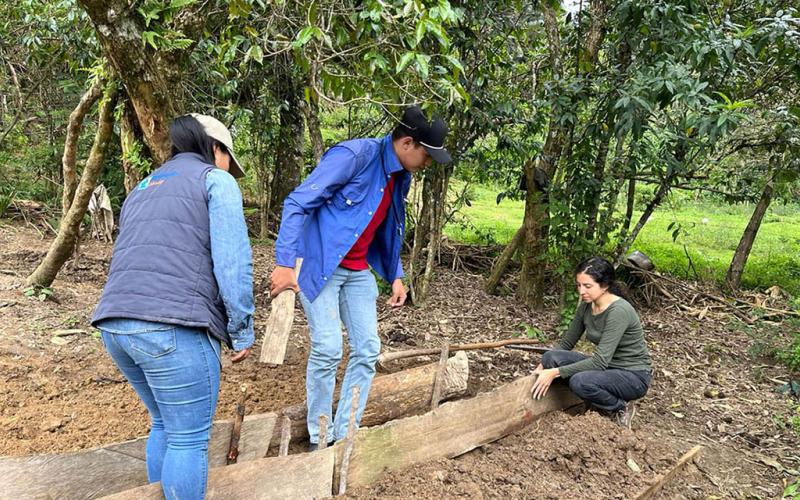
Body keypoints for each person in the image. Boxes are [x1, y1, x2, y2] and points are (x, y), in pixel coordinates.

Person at [92, 114, 254, 499]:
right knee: (187, 439)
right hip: (173, 326)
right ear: (216, 149)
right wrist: (241, 329)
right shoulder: (216, 181)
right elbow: (233, 263)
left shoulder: (144, 186)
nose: (230, 167)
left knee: (163, 424)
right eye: (229, 158)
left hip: (116, 324)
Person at [270, 105, 452, 449]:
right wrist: (283, 263)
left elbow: (389, 228)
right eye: (428, 156)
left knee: (368, 350)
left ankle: (344, 435)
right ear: (408, 144)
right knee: (327, 349)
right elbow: (297, 203)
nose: (428, 164)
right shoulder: (355, 155)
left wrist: (396, 275)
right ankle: (319, 438)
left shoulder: (402, 175)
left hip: (357, 271)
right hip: (320, 265)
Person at [530, 256, 652, 429]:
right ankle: (584, 399)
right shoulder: (587, 307)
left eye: (587, 286)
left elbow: (600, 361)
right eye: (579, 285)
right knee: (550, 357)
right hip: (607, 369)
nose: (581, 291)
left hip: (632, 375)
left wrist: (554, 373)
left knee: (580, 381)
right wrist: (543, 365)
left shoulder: (619, 311)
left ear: (605, 285)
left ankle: (621, 408)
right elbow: (566, 344)